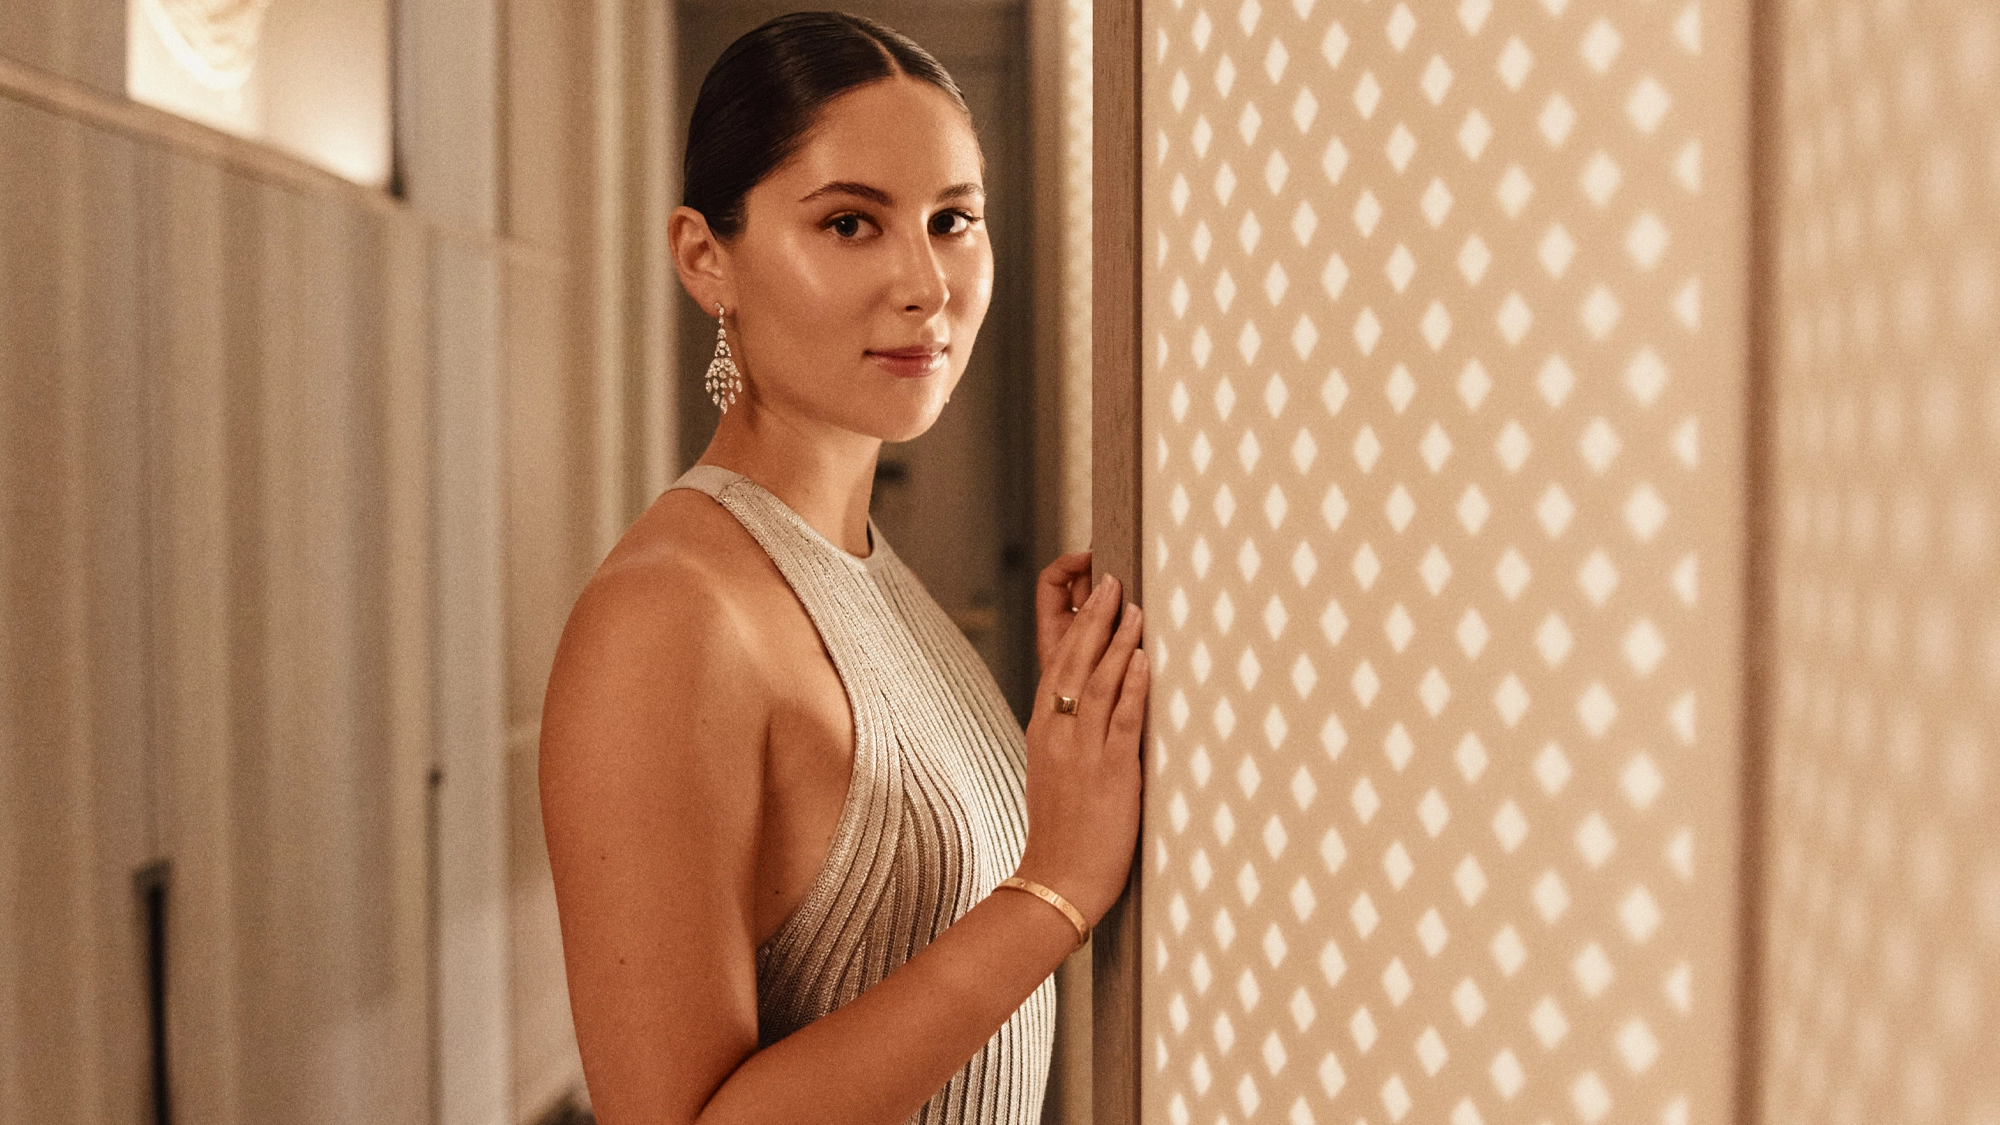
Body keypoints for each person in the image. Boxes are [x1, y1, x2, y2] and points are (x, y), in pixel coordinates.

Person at [537, 13, 1149, 1125]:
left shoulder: (863, 569)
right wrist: (1053, 891)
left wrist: (1054, 735)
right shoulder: (667, 617)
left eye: (952, 220)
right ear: (703, 257)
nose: (926, 284)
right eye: (851, 223)